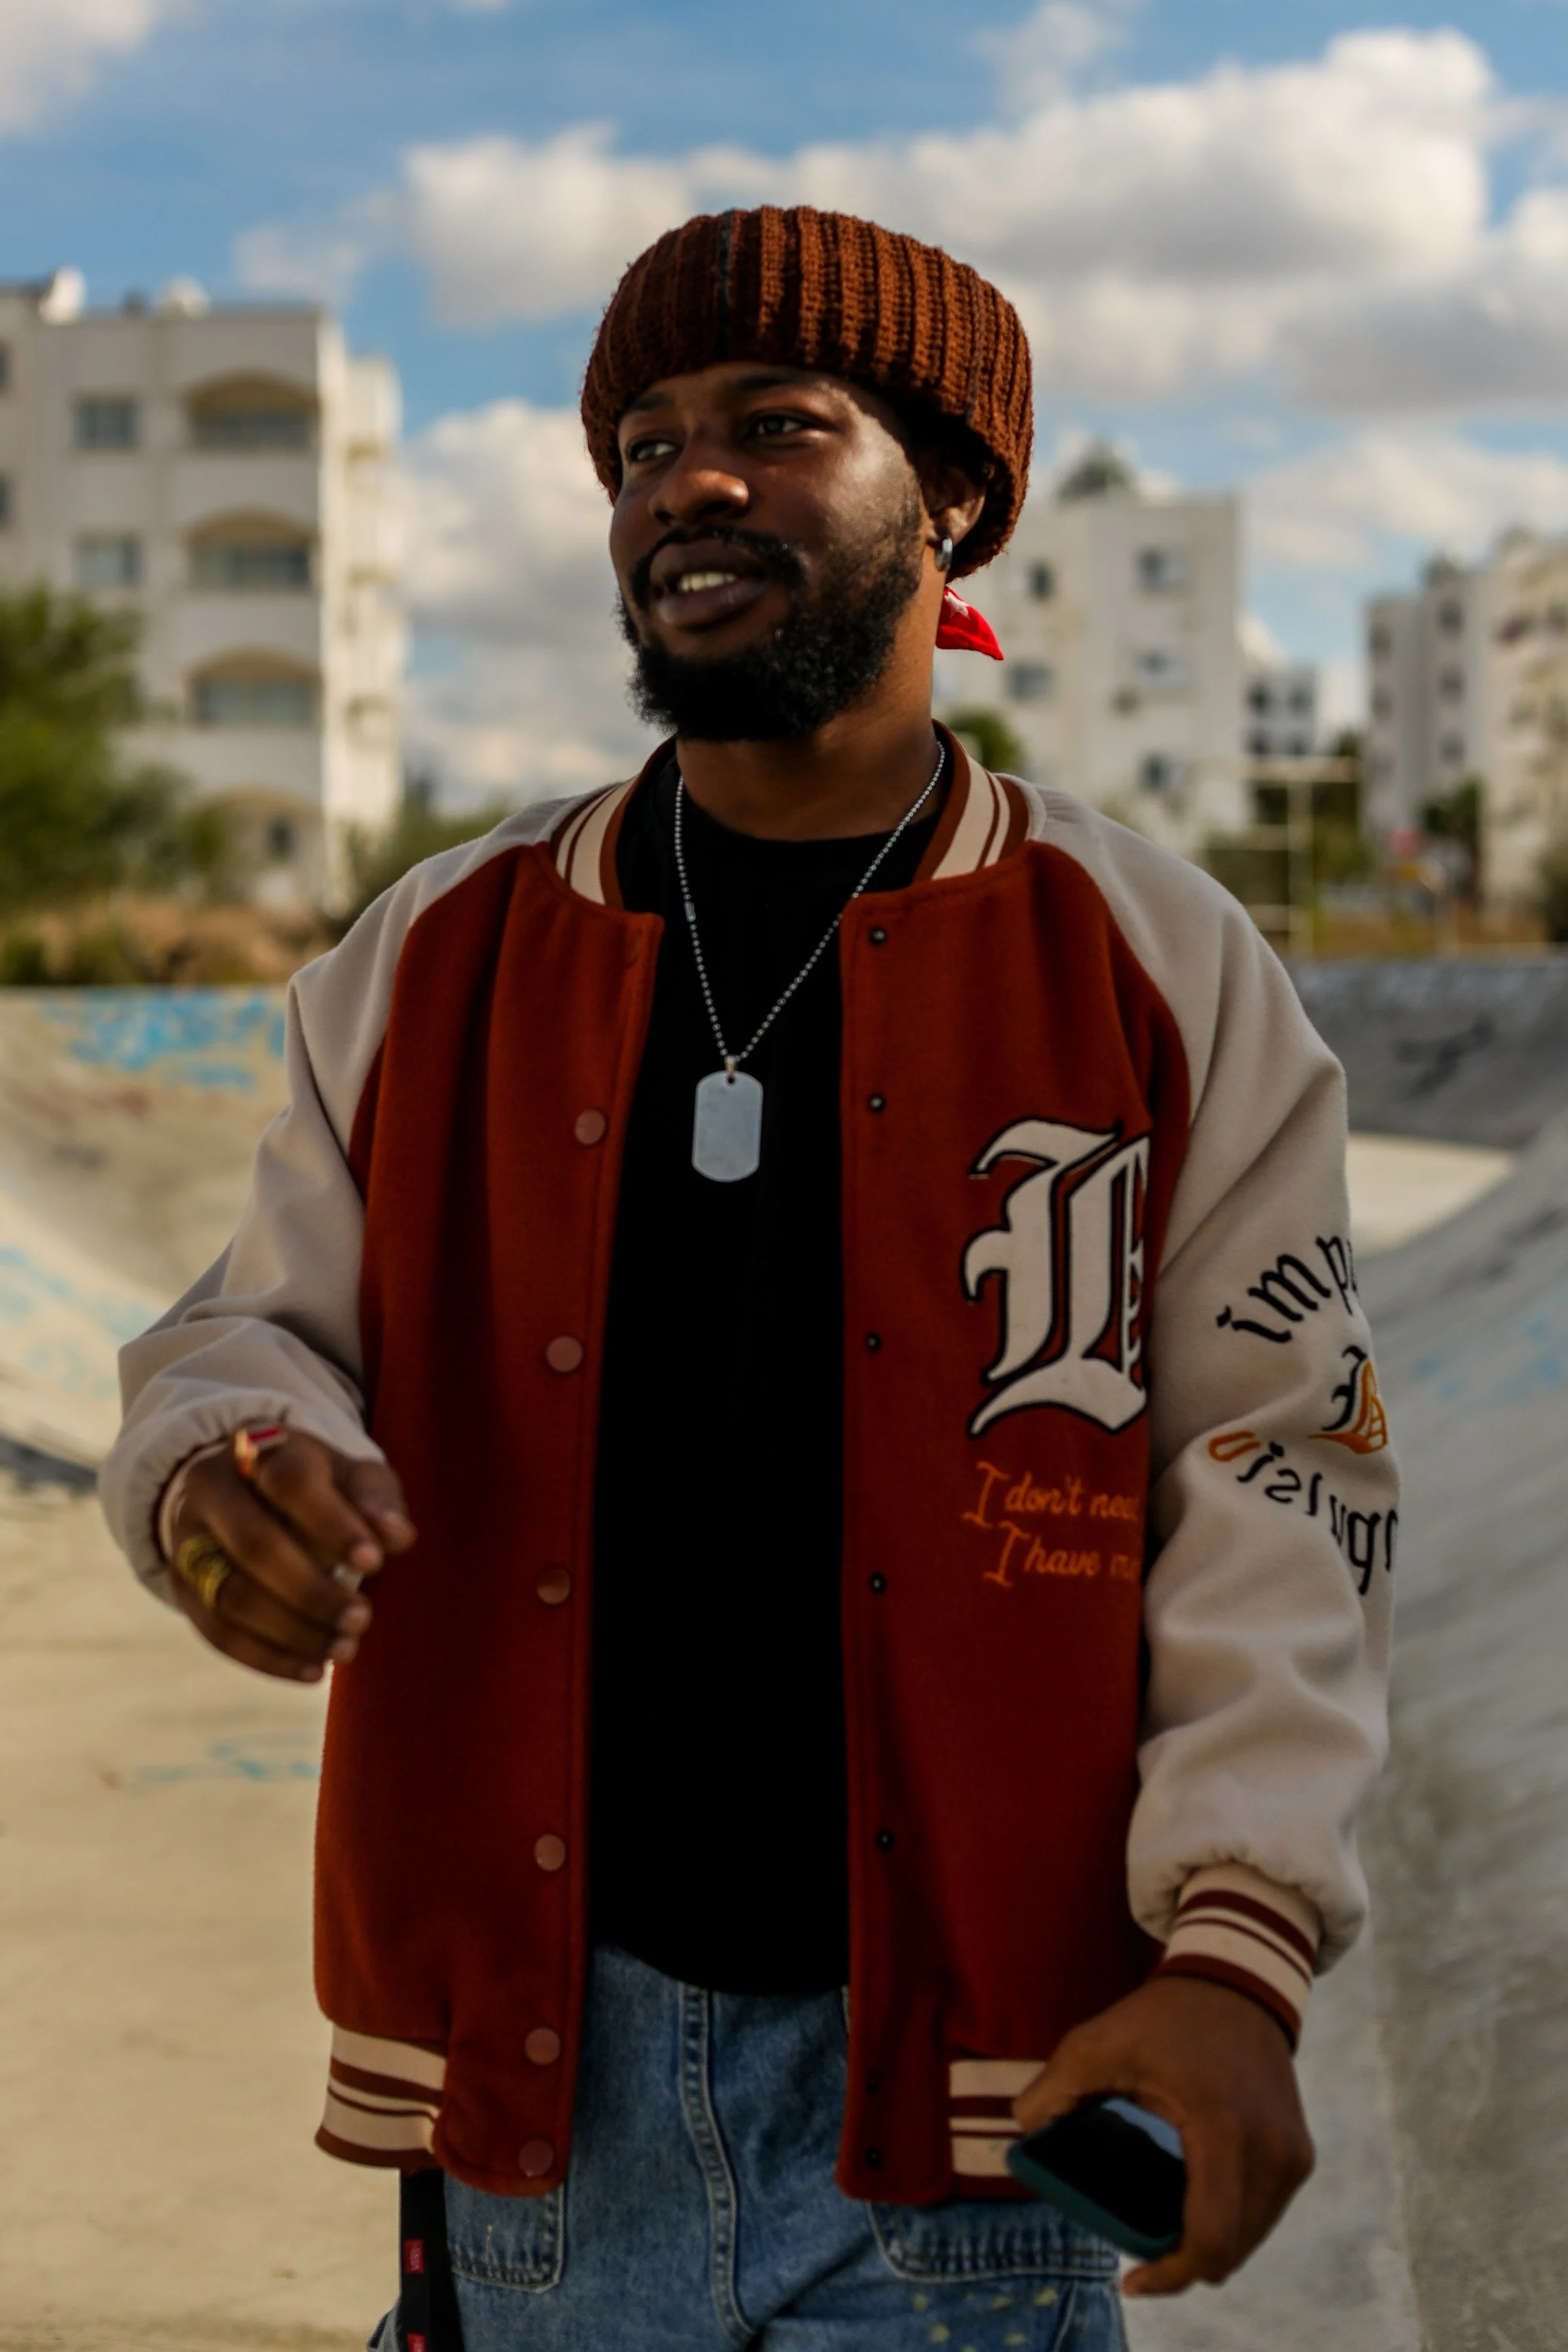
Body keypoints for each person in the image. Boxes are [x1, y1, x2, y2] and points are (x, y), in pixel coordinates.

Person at [102, 206, 1395, 2352]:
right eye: (642, 446)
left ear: (955, 499)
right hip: (535, 2111)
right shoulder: (439, 953)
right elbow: (249, 1328)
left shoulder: (1153, 963)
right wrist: (224, 1465)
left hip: (977, 2121)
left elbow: (1286, 1476)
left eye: (776, 427)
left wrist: (1235, 1943)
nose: (685, 486)